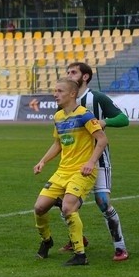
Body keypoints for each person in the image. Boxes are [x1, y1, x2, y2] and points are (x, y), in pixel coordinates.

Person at [33, 78, 108, 266]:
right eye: (55, 91)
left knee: (68, 208)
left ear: (72, 94)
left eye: (59, 91)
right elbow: (57, 144)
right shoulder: (58, 117)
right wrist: (43, 161)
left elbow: (102, 140)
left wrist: (91, 162)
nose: (55, 94)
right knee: (39, 207)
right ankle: (47, 241)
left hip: (82, 172)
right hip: (62, 171)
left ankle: (80, 255)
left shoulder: (85, 115)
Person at [65, 62, 130, 261]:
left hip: (99, 159)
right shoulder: (67, 101)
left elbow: (124, 118)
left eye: (73, 72)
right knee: (64, 203)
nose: (69, 75)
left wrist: (105, 121)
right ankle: (78, 239)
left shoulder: (97, 98)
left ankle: (120, 247)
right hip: (75, 162)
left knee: (102, 202)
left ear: (85, 77)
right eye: (67, 72)